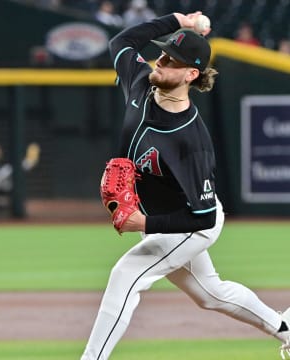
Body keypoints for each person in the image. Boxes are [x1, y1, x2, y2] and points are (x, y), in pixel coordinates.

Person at [80, 11, 290, 360]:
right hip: (162, 219)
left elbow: (203, 218)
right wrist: (180, 20)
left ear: (191, 74)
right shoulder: (139, 82)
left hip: (189, 224)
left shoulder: (191, 142)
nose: (159, 62)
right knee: (211, 294)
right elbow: (121, 42)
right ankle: (285, 328)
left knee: (126, 275)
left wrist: (143, 224)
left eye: (171, 61)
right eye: (161, 54)